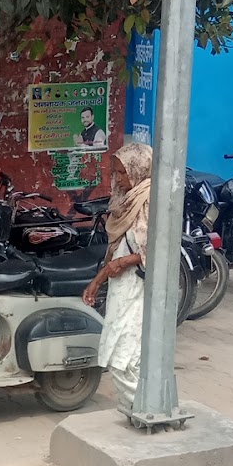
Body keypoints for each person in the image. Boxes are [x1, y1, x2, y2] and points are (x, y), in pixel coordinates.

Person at [82, 143, 152, 412]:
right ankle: (136, 410)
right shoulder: (126, 201)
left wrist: (124, 262)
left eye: (123, 172)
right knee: (122, 356)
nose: (118, 179)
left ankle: (146, 410)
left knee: (123, 358)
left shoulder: (150, 200)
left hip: (139, 290)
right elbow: (115, 250)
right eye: (116, 172)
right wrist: (97, 281)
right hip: (121, 290)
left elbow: (158, 247)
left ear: (139, 169)